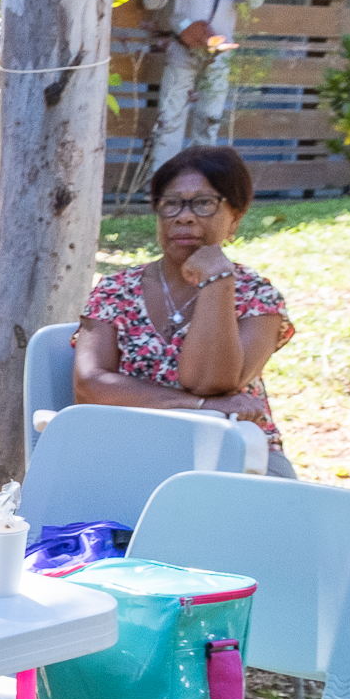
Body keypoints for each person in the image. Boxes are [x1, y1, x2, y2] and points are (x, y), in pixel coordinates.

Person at [74, 144, 295, 477]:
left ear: (234, 218)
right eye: (171, 203)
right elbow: (90, 385)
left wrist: (218, 281)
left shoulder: (256, 294)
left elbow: (210, 382)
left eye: (204, 203)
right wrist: (202, 407)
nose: (185, 216)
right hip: (132, 448)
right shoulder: (115, 290)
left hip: (235, 453)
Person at [143, 0, 254, 169]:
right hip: (182, 53)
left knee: (209, 121)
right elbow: (151, 1)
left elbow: (253, 1)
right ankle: (161, 184)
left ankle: (202, 181)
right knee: (169, 121)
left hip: (217, 58)